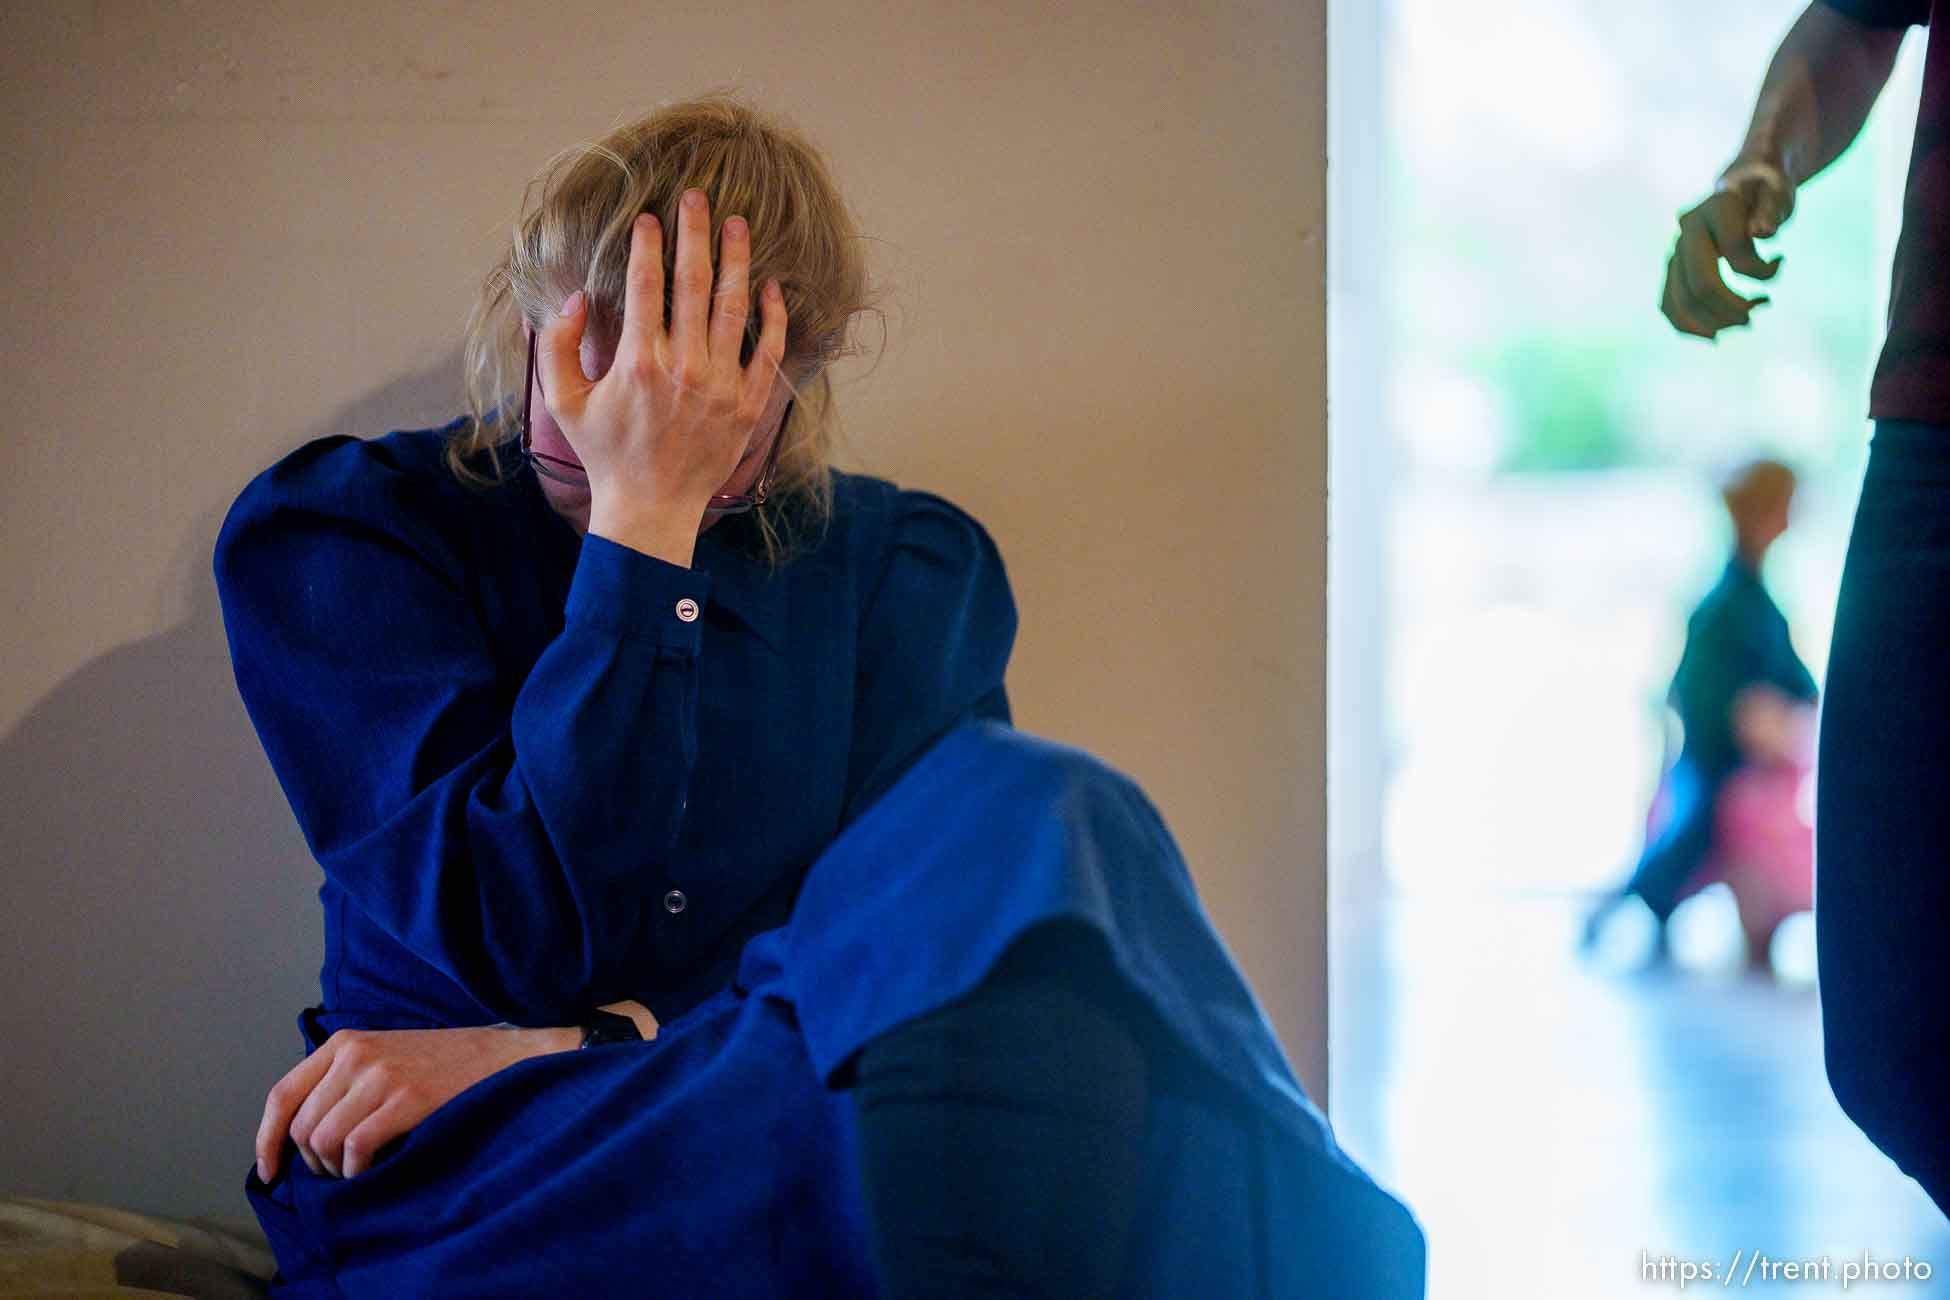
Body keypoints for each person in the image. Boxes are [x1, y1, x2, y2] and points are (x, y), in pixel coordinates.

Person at [214, 94, 1426, 1297]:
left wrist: (578, 1041)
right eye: (603, 365)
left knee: (1037, 829)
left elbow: (911, 963)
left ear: (782, 392)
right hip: (472, 1161)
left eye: (700, 393)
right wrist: (643, 532)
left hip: (776, 1100)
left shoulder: (898, 572)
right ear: (531, 323)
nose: (633, 424)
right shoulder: (349, 543)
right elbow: (512, 935)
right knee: (1110, 1122)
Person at [1657, 0, 1950, 1213]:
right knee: (1894, 1036)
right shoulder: (1732, 600)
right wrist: (1760, 153)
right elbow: (1857, 13)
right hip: (1939, 414)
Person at [1581, 460, 1818, 965]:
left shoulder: (1756, 599)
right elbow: (1697, 694)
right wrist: (1749, 718)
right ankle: (1628, 909)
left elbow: (1798, 680)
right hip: (1717, 760)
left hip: (1758, 765)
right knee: (1691, 831)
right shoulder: (1725, 606)